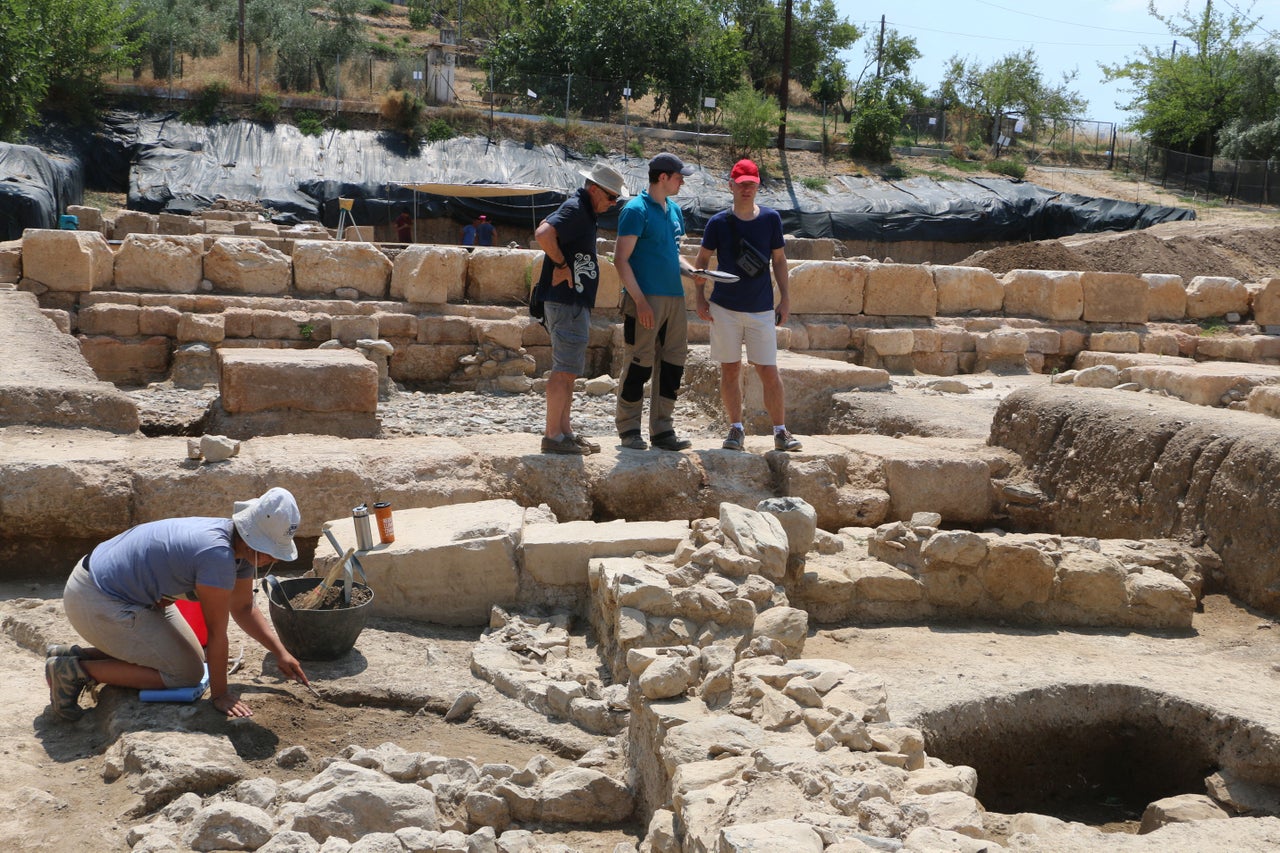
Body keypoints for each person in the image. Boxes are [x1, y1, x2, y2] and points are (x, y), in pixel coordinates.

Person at [45, 487, 310, 721]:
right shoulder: (217, 555)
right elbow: (218, 632)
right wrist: (220, 695)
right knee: (186, 675)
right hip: (97, 597)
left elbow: (242, 607)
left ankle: (75, 654)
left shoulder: (238, 547)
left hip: (120, 588)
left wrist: (280, 652)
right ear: (253, 539)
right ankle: (74, 671)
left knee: (193, 659)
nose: (271, 559)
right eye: (270, 551)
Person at [694, 159, 802, 453]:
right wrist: (699, 298)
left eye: (751, 184)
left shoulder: (771, 219)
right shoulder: (718, 222)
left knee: (769, 370)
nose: (746, 189)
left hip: (761, 307)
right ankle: (735, 428)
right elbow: (702, 262)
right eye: (741, 184)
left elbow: (779, 260)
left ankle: (780, 431)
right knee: (730, 369)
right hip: (725, 307)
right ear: (731, 185)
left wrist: (786, 299)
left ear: (758, 186)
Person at [533, 162, 628, 455]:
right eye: (611, 197)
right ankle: (553, 436)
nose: (613, 203)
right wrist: (561, 265)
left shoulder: (583, 211)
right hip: (566, 300)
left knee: (570, 370)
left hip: (573, 302)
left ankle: (564, 431)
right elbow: (543, 233)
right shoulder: (576, 208)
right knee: (563, 370)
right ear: (594, 189)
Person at [614, 152, 700, 451]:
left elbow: (673, 254)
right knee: (639, 364)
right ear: (663, 177)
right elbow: (621, 259)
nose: (682, 183)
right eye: (679, 177)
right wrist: (639, 301)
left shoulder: (674, 210)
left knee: (674, 365)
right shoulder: (635, 210)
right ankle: (629, 429)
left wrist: (693, 273)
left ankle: (663, 430)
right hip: (645, 299)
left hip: (674, 299)